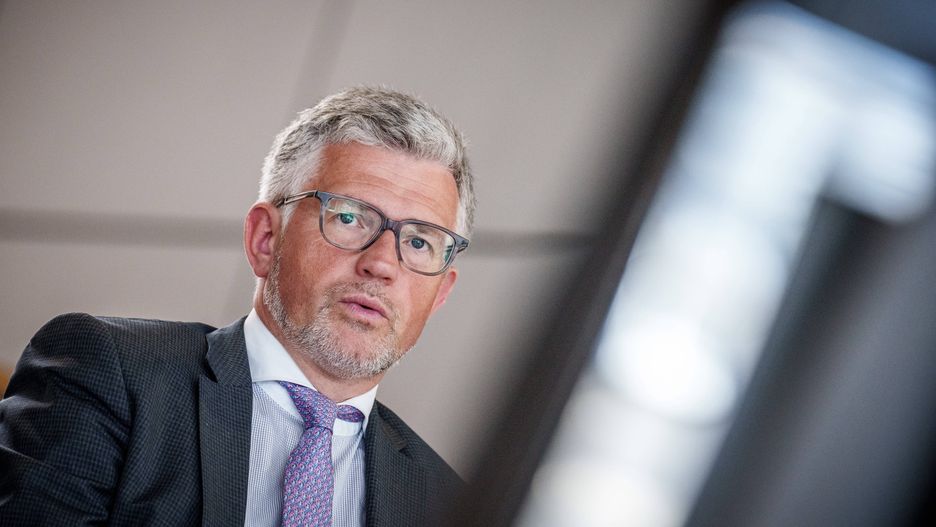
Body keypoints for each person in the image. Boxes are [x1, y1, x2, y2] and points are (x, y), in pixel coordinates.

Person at [0, 86, 475, 526]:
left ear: (441, 294)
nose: (382, 264)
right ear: (265, 239)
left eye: (419, 243)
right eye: (349, 217)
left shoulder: (450, 505)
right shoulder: (110, 373)